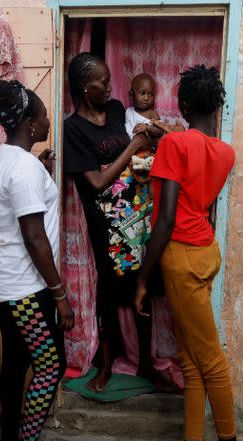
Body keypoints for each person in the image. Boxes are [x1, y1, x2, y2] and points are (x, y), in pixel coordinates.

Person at [135, 65, 243, 441]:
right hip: (206, 252)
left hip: (179, 256)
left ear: (181, 106)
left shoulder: (174, 145)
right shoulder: (225, 152)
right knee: (192, 361)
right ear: (216, 108)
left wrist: (143, 278)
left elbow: (163, 220)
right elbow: (196, 171)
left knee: (210, 360)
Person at [63, 53, 174, 393]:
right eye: (103, 83)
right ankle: (106, 366)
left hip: (138, 216)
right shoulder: (73, 129)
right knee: (110, 294)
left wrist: (150, 137)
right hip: (107, 226)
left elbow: (143, 137)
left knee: (146, 287)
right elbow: (95, 183)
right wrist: (133, 148)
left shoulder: (114, 112)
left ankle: (147, 364)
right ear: (85, 87)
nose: (111, 88)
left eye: (110, 80)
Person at [0, 79, 74, 441]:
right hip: (25, 287)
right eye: (43, 114)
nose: (48, 118)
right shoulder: (22, 168)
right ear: (31, 124)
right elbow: (34, 237)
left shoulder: (7, 158)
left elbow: (27, 201)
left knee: (17, 363)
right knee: (51, 366)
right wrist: (60, 295)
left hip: (7, 279)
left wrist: (44, 170)